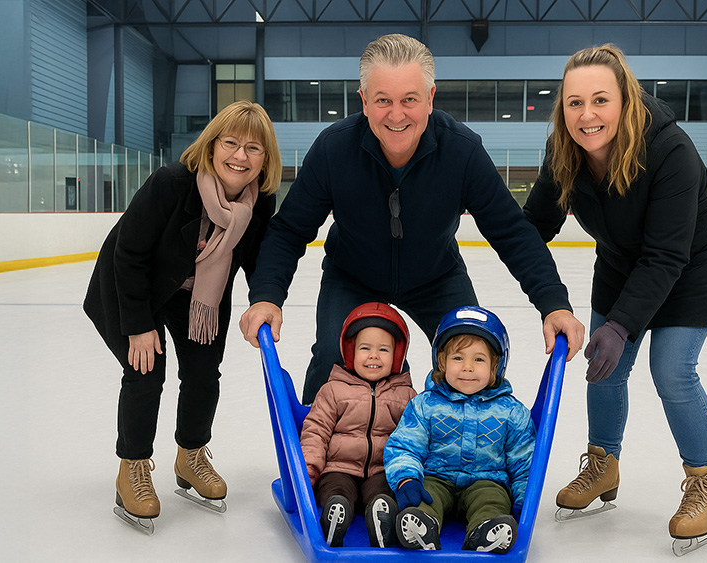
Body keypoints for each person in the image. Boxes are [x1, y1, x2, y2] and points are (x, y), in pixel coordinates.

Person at [238, 33, 584, 406]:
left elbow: (512, 232)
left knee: (471, 359)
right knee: (331, 358)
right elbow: (289, 229)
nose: (397, 114)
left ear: (430, 98)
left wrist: (554, 303)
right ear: (364, 101)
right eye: (383, 100)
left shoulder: (461, 152)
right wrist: (266, 297)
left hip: (437, 277)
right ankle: (312, 453)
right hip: (352, 276)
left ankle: (469, 454)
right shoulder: (333, 149)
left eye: (409, 100)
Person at [522, 45, 707, 554]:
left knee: (672, 369)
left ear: (626, 100)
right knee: (604, 367)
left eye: (600, 100)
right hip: (620, 264)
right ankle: (603, 464)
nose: (587, 115)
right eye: (574, 103)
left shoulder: (669, 151)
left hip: (691, 267)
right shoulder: (563, 152)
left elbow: (666, 256)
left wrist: (621, 326)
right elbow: (534, 228)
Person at [83, 101, 281, 533]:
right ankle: (132, 468)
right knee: (146, 371)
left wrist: (266, 300)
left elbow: (261, 262)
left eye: (253, 148)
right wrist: (137, 325)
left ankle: (191, 456)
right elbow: (128, 254)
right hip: (134, 288)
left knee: (204, 374)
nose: (240, 156)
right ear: (212, 145)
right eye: (231, 143)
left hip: (199, 298)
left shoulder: (258, 205)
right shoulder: (172, 184)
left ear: (266, 158)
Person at [384, 306, 535, 554]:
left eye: (478, 359)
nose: (467, 367)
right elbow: (405, 445)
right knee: (424, 495)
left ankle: (485, 531)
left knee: (493, 500)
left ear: (495, 366)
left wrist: (523, 503)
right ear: (442, 362)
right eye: (458, 358)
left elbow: (524, 461)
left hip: (486, 480)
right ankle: (421, 526)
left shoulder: (511, 412)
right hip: (436, 478)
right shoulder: (425, 405)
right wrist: (407, 478)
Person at [300, 302, 417, 548]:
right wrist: (310, 465)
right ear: (351, 352)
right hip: (338, 466)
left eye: (383, 350)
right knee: (337, 489)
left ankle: (382, 518)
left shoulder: (405, 395)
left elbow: (414, 437)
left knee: (384, 491)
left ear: (397, 356)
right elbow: (316, 430)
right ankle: (335, 515)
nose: (374, 355)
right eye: (365, 348)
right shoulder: (333, 390)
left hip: (382, 469)